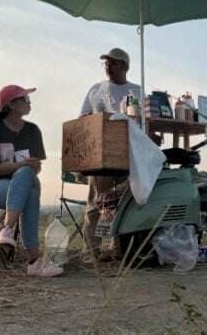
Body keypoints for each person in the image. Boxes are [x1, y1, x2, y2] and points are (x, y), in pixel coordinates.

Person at [0, 85, 63, 277]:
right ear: (10, 105)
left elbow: (37, 168)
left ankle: (7, 231)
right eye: (24, 99)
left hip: (23, 184)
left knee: (27, 179)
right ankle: (34, 262)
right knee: (29, 191)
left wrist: (30, 166)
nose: (29, 102)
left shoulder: (32, 130)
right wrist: (21, 165)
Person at [80, 48, 141, 261]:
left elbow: (143, 123)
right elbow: (83, 119)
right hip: (101, 153)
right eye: (106, 62)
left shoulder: (137, 91)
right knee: (98, 201)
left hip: (129, 153)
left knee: (123, 201)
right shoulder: (96, 89)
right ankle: (91, 251)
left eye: (113, 63)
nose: (108, 66)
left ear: (124, 66)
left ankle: (118, 246)